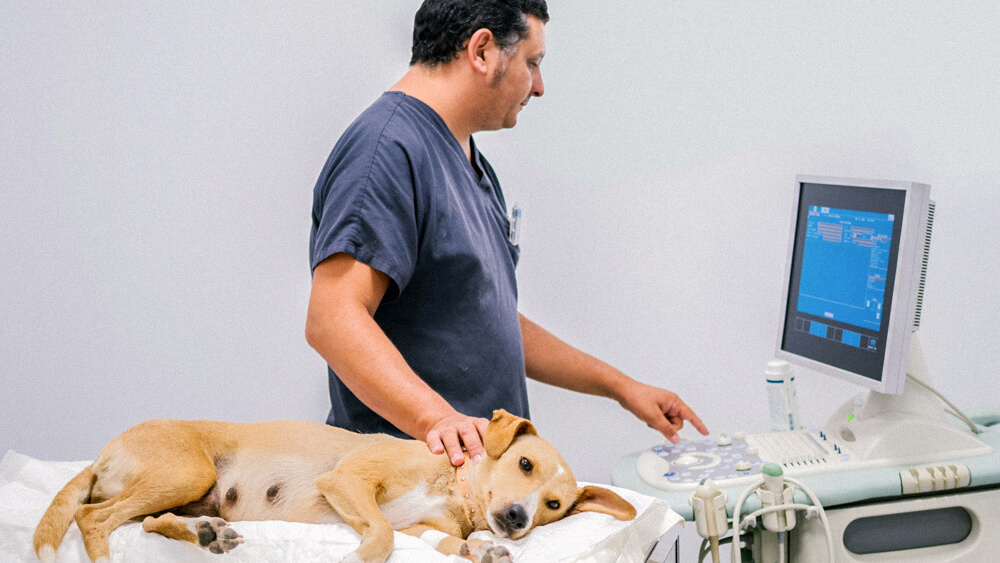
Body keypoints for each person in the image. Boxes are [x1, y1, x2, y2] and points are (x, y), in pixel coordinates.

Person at [306, 0, 708, 468]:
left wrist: (621, 387)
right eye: (532, 63)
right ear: (482, 50)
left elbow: (485, 315)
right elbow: (333, 319)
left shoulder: (468, 160)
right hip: (411, 489)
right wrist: (437, 419)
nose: (538, 87)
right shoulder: (387, 150)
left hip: (480, 483)